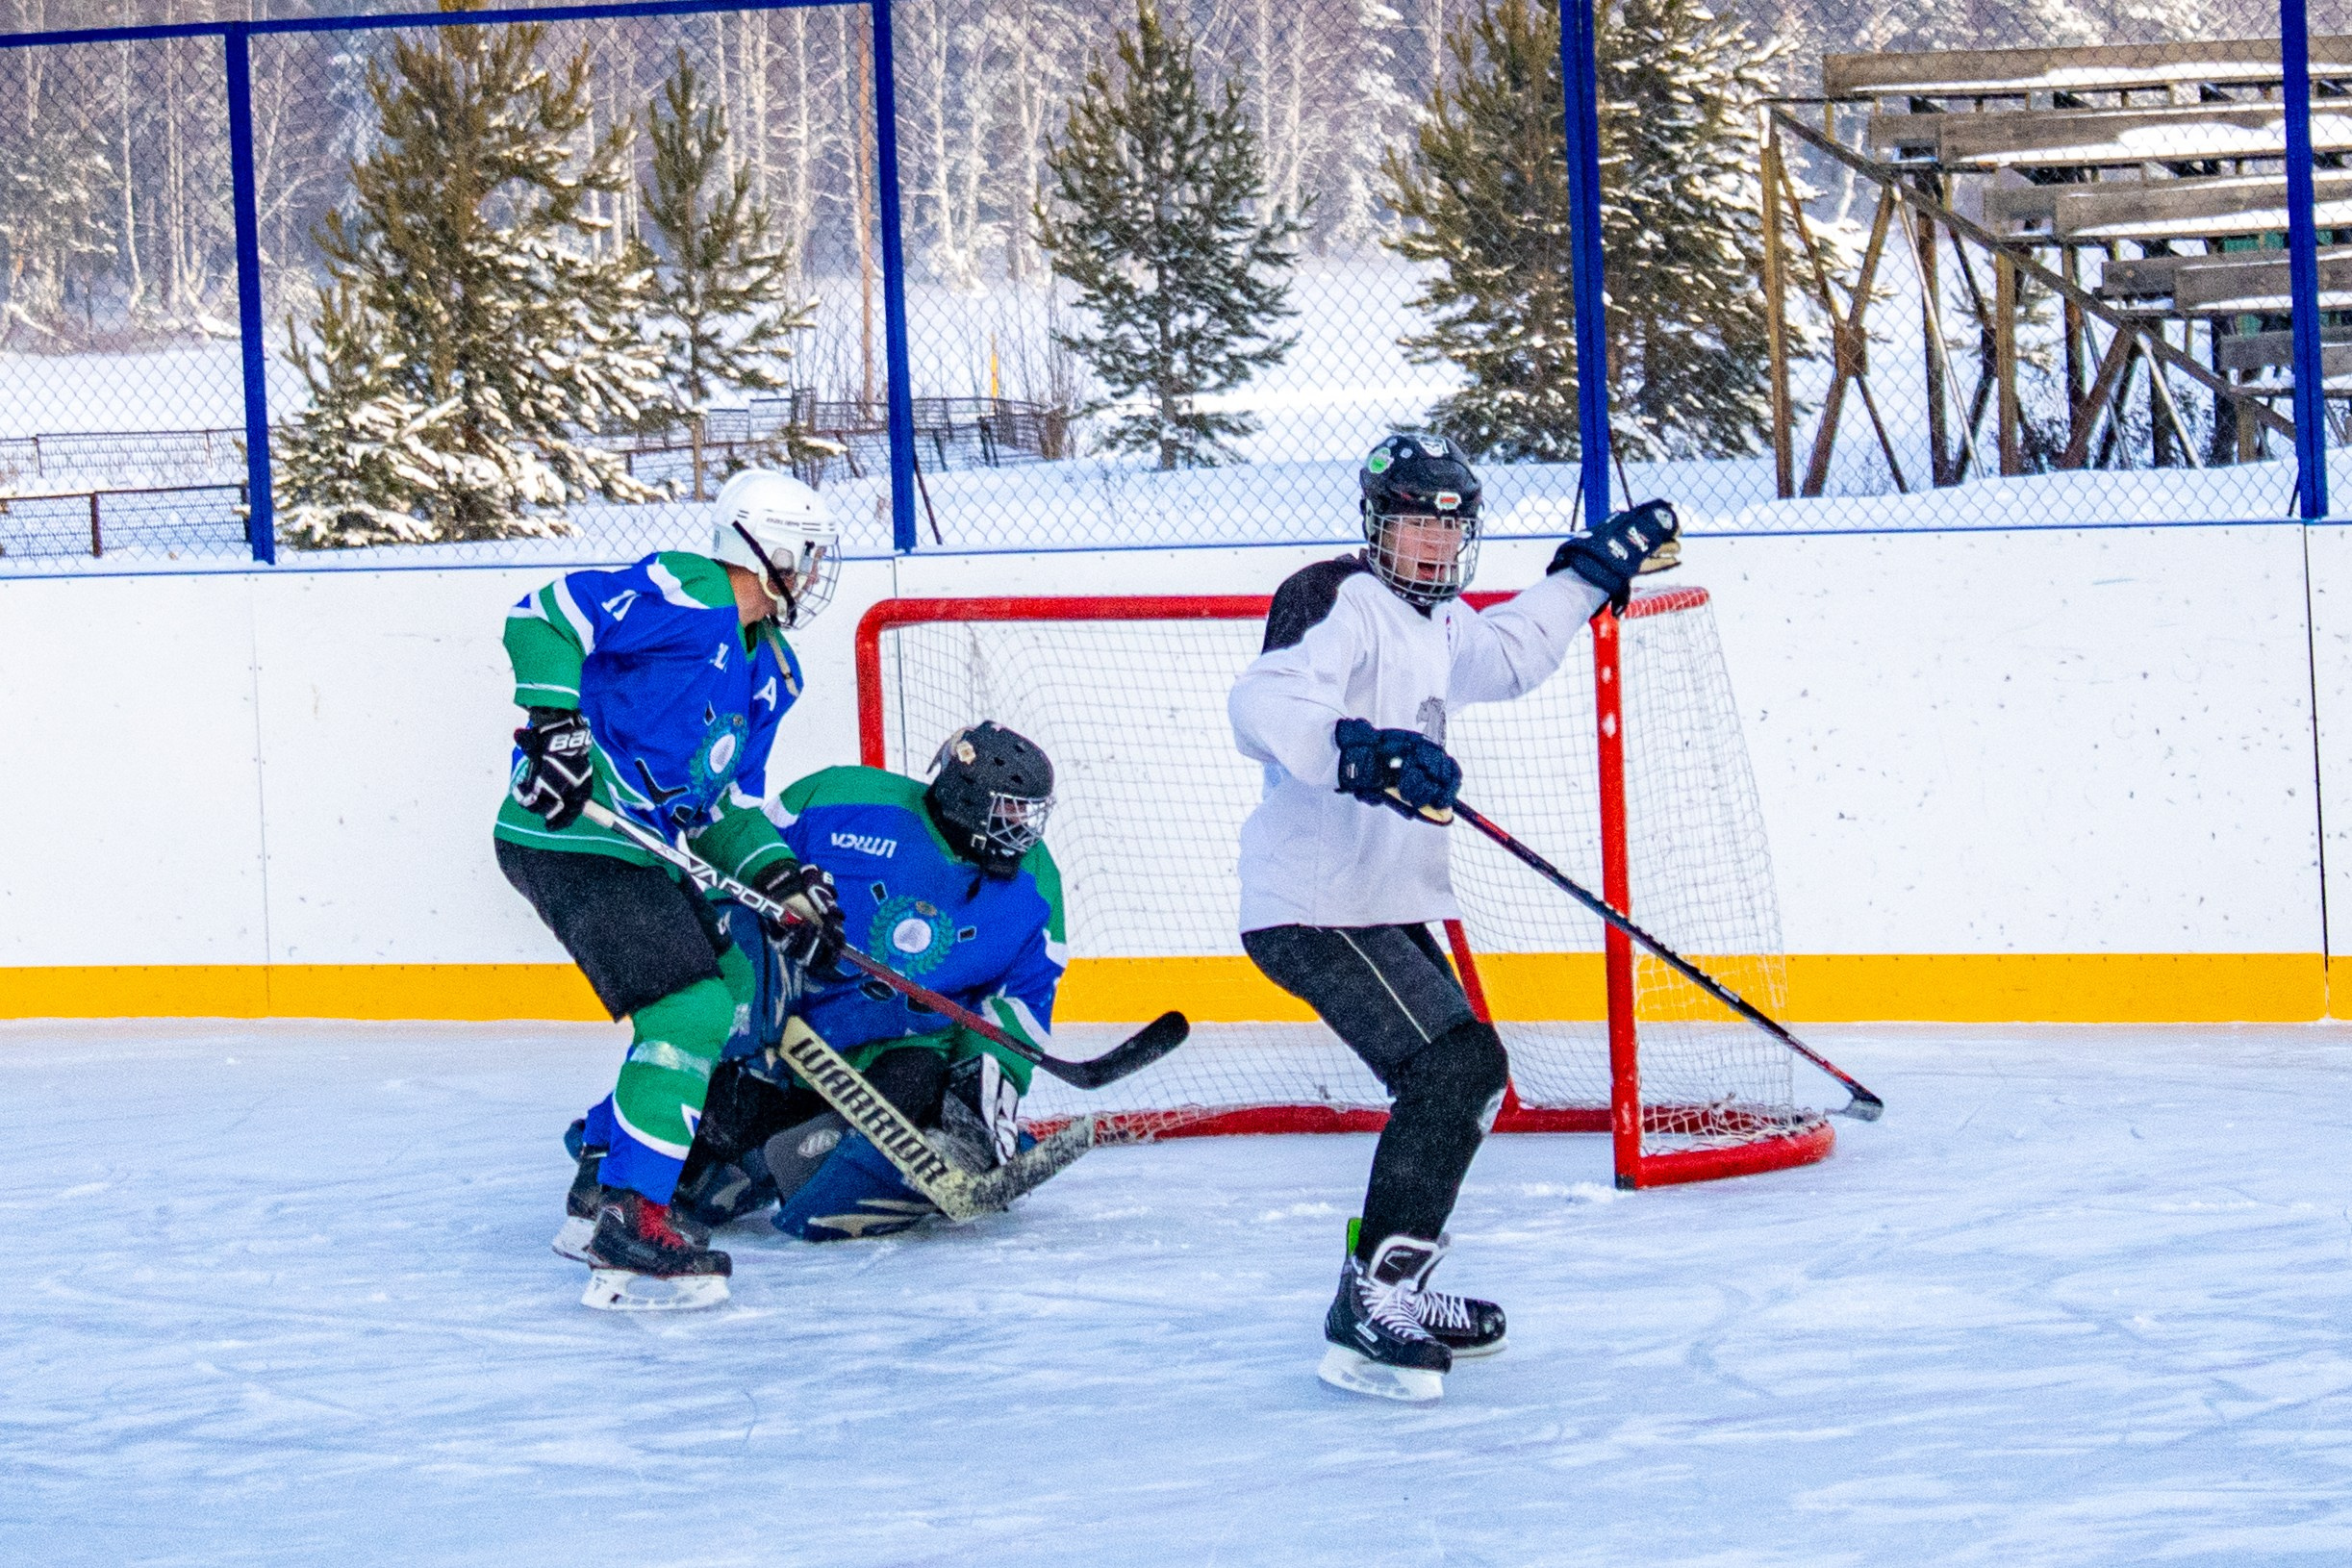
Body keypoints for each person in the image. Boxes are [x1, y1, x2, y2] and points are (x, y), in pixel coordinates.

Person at [1227, 432, 1680, 1401]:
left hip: (1380, 902)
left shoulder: (1438, 623)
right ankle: (1372, 1300)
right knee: (1453, 1068)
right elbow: (1264, 701)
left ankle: (1396, 1282)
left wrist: (1587, 576)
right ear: (1375, 526)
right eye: (1411, 524)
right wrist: (1364, 750)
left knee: (1466, 1080)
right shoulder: (1335, 596)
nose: (1431, 544)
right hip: (1314, 904)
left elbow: (1511, 655)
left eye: (1448, 527)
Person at [501, 468, 848, 1312]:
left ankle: (601, 1178)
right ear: (766, 548)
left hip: (646, 851)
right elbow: (543, 615)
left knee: (731, 988)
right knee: (688, 1010)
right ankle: (633, 1214)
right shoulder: (690, 591)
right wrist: (556, 725)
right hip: (572, 832)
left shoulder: (775, 672)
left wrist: (784, 881)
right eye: (805, 554)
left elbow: (725, 805)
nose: (811, 573)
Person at [650, 723, 1068, 1243]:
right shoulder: (841, 798)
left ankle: (801, 1162)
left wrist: (990, 1077)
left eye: (1027, 812)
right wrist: (753, 969)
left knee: (917, 1080)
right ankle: (699, 1149)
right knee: (710, 1154)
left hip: (896, 1047)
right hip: (785, 1031)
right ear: (966, 797)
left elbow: (1024, 994)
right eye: (1009, 810)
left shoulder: (1036, 882)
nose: (1022, 828)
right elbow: (734, 873)